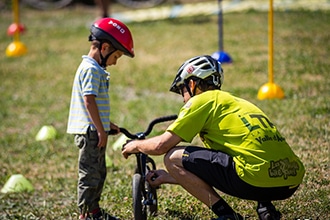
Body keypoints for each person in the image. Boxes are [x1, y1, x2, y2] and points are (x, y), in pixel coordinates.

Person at [122, 55, 305, 220]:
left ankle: (226, 215)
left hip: (253, 179)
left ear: (192, 84)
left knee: (172, 158)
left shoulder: (201, 100)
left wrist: (135, 145)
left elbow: (161, 146)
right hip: (289, 181)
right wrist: (169, 177)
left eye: (182, 90)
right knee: (251, 151)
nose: (183, 99)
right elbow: (220, 167)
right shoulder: (238, 102)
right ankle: (266, 208)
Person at [67, 17, 134, 220]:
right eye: (117, 56)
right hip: (91, 133)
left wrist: (106, 125)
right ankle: (86, 215)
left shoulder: (95, 69)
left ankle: (94, 211)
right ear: (105, 48)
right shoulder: (90, 69)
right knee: (89, 175)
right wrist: (99, 129)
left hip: (95, 129)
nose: (115, 62)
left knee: (98, 174)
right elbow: (89, 102)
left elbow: (93, 105)